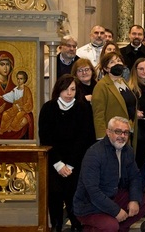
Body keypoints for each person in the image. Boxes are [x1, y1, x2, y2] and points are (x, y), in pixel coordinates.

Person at [39, 74, 95, 232]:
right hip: (54, 161)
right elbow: (46, 138)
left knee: (74, 195)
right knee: (55, 193)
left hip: (75, 162)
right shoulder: (48, 108)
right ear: (59, 90)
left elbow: (84, 139)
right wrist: (58, 164)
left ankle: (77, 224)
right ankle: (56, 225)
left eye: (73, 89)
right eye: (66, 89)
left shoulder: (83, 108)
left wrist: (70, 164)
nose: (69, 93)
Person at [74, 116, 145, 232]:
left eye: (126, 132)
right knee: (110, 225)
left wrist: (134, 199)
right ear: (108, 132)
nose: (122, 136)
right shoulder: (94, 154)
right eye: (118, 131)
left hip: (114, 196)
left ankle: (121, 229)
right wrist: (116, 211)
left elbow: (135, 177)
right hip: (89, 205)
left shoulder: (127, 150)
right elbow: (92, 191)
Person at [91, 52, 138, 150]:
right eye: (112, 62)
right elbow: (98, 115)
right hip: (113, 135)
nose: (117, 63)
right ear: (106, 68)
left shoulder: (123, 82)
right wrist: (102, 139)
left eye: (119, 60)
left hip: (127, 132)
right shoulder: (102, 86)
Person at [0, 70, 33, 137]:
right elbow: (10, 95)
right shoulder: (15, 89)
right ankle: (2, 130)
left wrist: (21, 107)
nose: (19, 80)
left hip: (23, 109)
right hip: (15, 108)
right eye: (18, 78)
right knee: (5, 114)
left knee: (17, 116)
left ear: (25, 79)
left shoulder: (26, 90)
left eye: (21, 79)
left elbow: (29, 102)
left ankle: (11, 129)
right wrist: (1, 97)